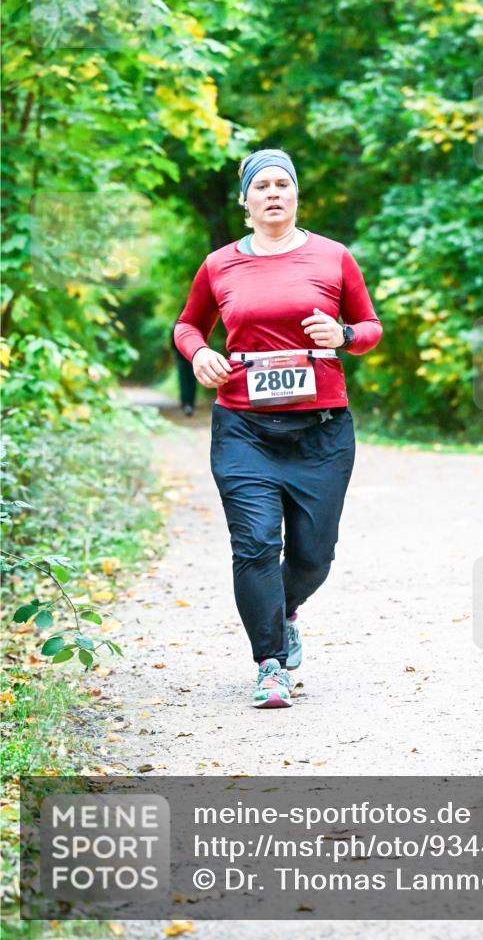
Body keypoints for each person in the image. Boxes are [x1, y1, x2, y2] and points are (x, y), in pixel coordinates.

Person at [174, 148, 383, 706]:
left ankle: (284, 610)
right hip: (244, 428)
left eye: (281, 184)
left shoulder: (333, 257)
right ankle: (270, 662)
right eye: (261, 185)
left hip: (321, 431)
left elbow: (369, 327)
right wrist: (198, 356)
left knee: (315, 554)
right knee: (256, 545)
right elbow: (188, 325)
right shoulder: (220, 265)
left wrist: (343, 336)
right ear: (246, 201)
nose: (272, 193)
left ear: (295, 196)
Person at [171, 321, 197, 416]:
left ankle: (185, 403)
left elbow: (172, 344)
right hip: (192, 358)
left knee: (184, 381)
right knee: (191, 381)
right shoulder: (194, 325)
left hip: (182, 358)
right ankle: (190, 403)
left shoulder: (175, 326)